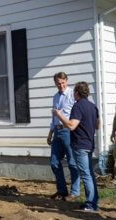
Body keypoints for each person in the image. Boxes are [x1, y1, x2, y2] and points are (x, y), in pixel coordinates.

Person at [54, 81, 100, 211]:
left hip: (80, 144)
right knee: (89, 173)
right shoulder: (93, 106)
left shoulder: (78, 106)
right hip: (89, 143)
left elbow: (71, 125)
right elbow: (98, 125)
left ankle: (91, 204)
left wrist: (58, 115)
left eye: (74, 91)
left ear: (77, 93)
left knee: (86, 175)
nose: (73, 94)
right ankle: (94, 201)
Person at [47, 72, 80, 201]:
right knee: (54, 162)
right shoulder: (55, 97)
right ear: (55, 83)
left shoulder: (73, 94)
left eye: (63, 82)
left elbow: (78, 113)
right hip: (57, 131)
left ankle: (74, 192)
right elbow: (54, 116)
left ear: (67, 81)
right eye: (58, 83)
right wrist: (50, 133)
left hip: (69, 131)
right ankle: (61, 191)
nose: (61, 85)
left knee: (72, 163)